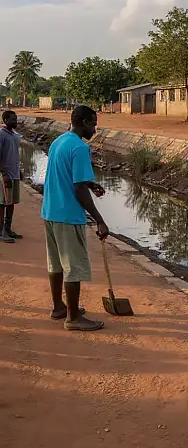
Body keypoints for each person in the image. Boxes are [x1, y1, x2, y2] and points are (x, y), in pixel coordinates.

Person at [42, 105, 112, 332]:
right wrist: (99, 219)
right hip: (68, 215)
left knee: (56, 264)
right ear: (82, 122)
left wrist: (91, 183)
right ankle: (72, 318)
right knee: (72, 266)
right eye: (93, 123)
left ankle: (58, 307)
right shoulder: (80, 148)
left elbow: (66, 175)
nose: (95, 128)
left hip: (50, 211)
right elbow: (78, 189)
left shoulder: (59, 142)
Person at [0, 110, 21, 242]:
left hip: (14, 174)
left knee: (11, 202)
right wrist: (3, 173)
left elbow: (15, 155)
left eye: (16, 119)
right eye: (13, 119)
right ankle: (1, 231)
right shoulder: (1, 135)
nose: (15, 121)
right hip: (5, 175)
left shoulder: (15, 135)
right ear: (5, 120)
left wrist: (20, 171)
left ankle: (8, 229)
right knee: (2, 203)